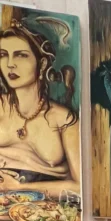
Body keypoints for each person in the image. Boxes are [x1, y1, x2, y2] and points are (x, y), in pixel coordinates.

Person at [0, 20, 80, 197]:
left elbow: (80, 187)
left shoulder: (64, 119)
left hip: (45, 212)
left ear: (42, 64)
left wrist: (18, 188)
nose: (10, 64)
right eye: (3, 54)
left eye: (21, 55)